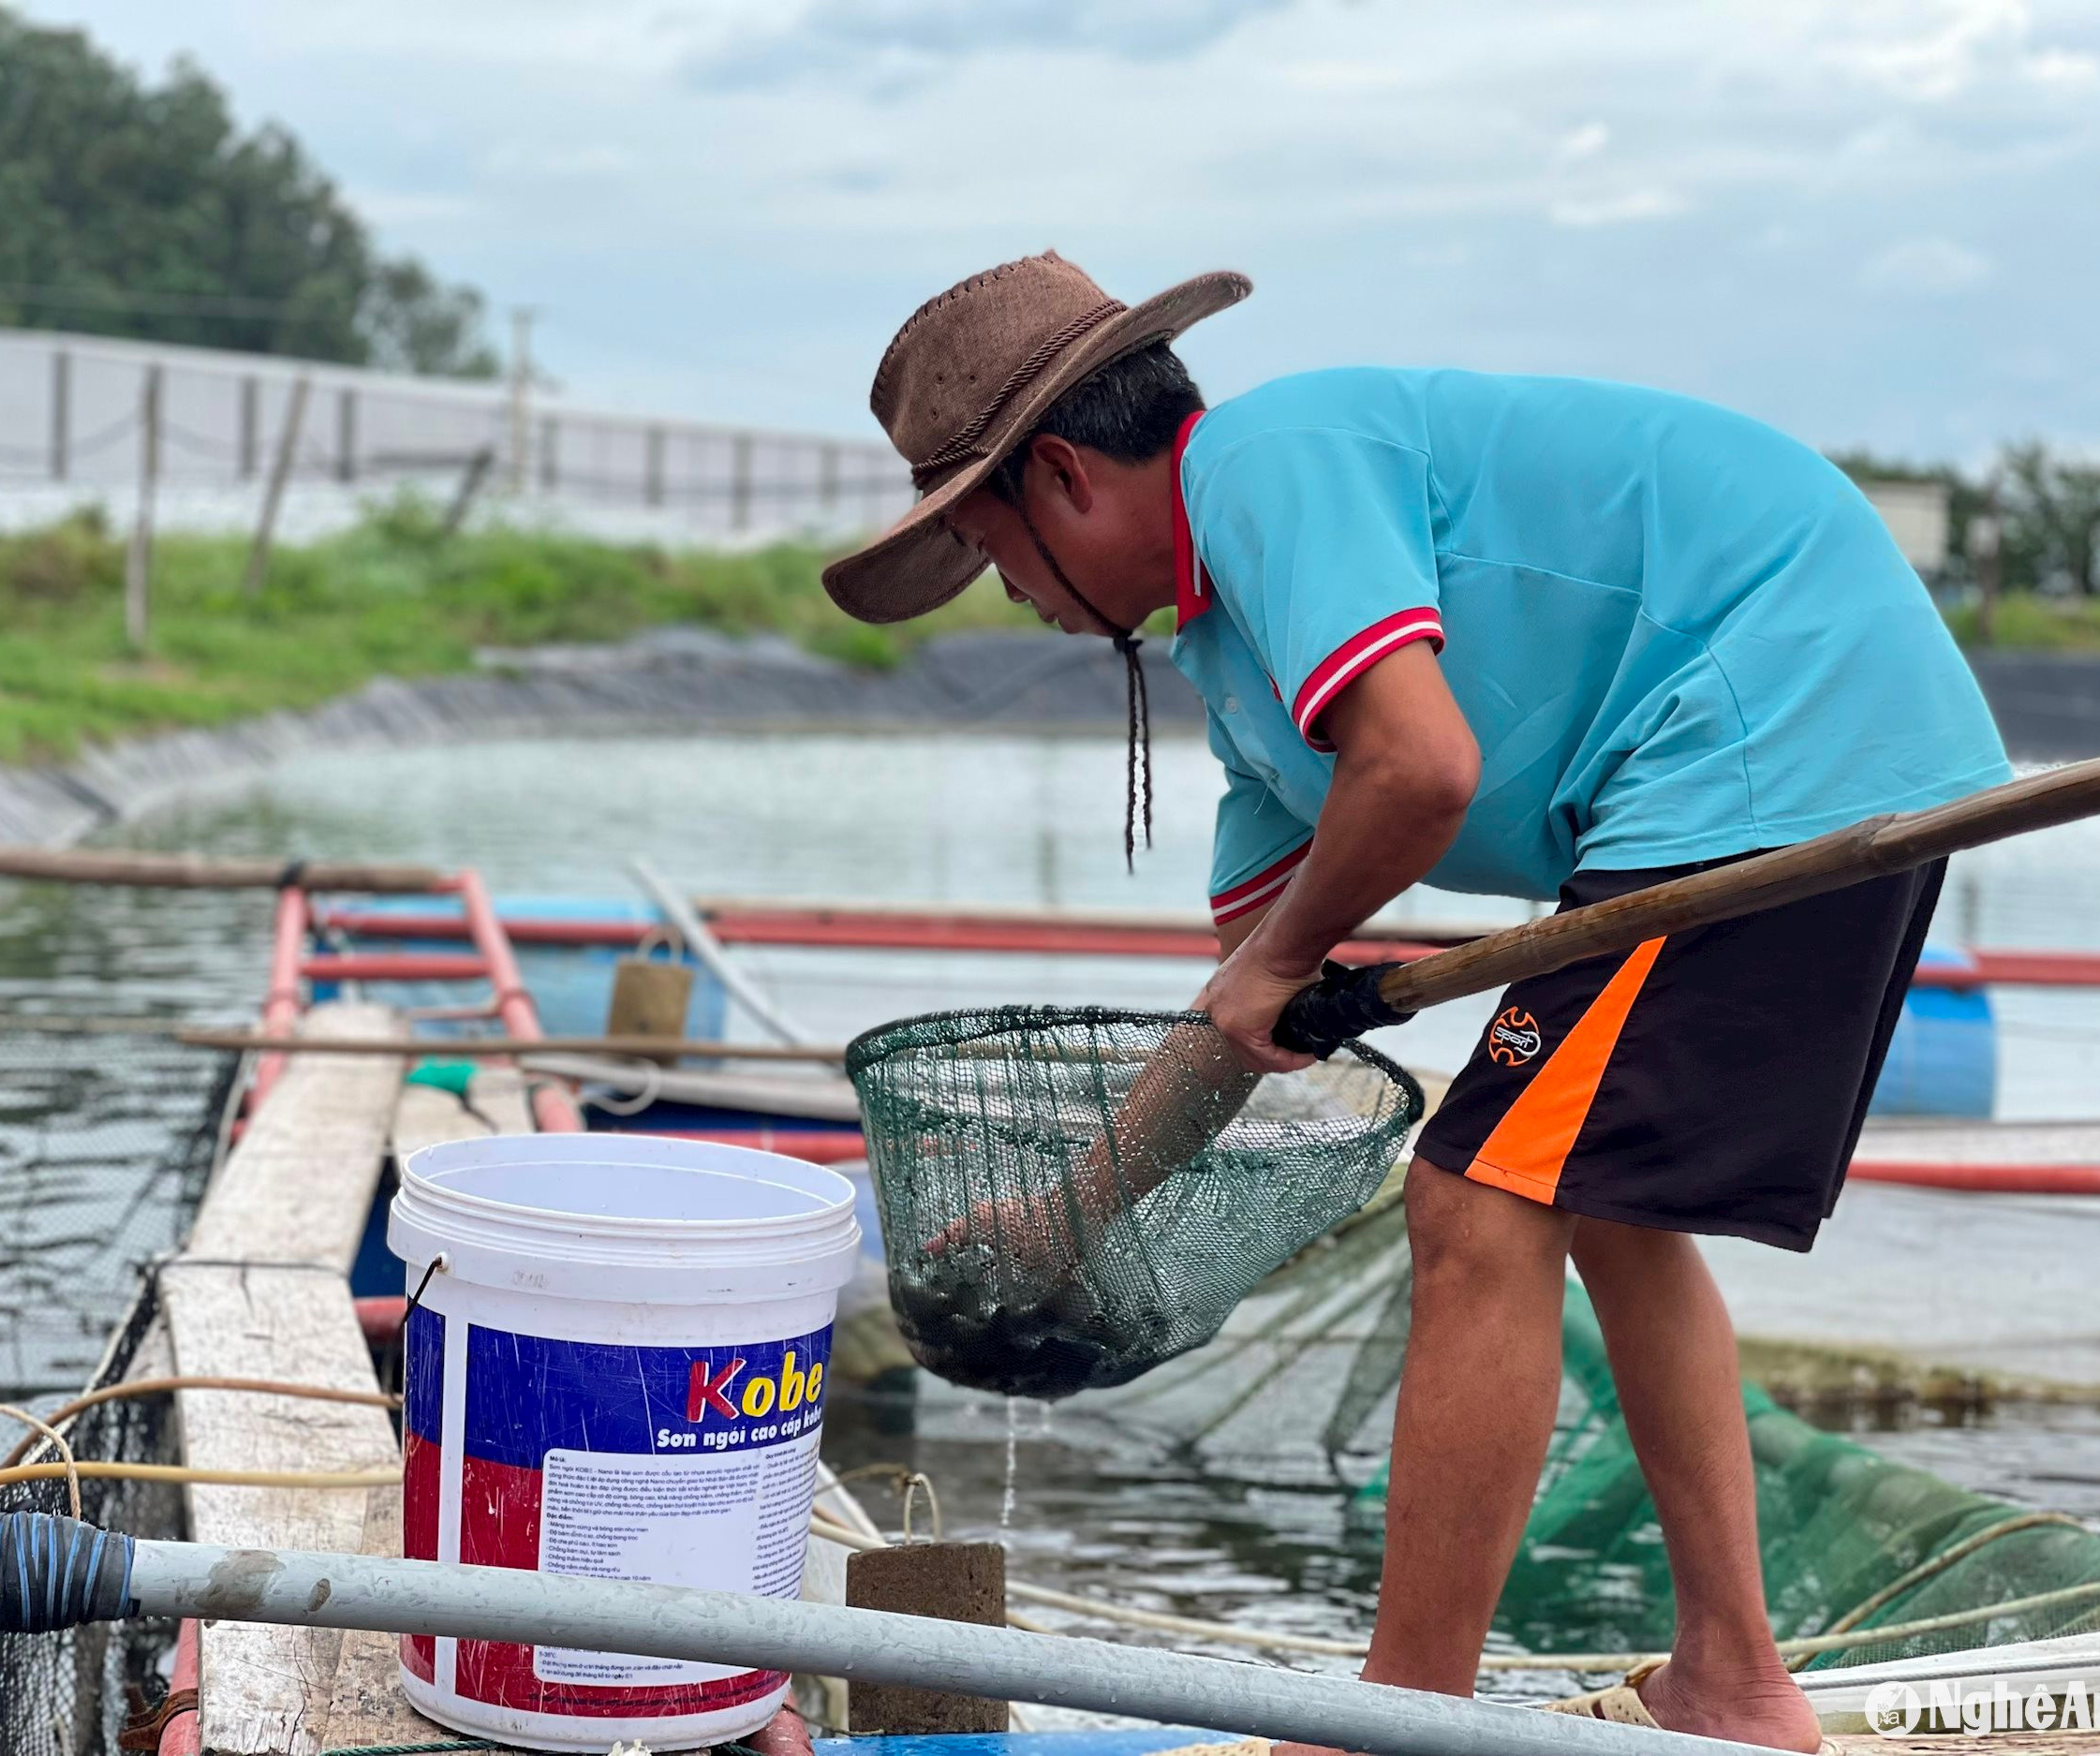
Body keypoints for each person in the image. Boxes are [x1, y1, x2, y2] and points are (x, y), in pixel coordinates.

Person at [822, 251, 2010, 1751]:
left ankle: (1408, 1721)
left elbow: (1422, 768)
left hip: (1774, 723)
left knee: (1475, 1203)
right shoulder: (1237, 657)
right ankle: (1734, 1683)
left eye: (993, 553)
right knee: (1600, 1203)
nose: (1013, 599)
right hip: (1746, 765)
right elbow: (1248, 1000)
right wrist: (1072, 1217)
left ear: (1060, 475)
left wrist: (1279, 963)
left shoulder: (1269, 464)